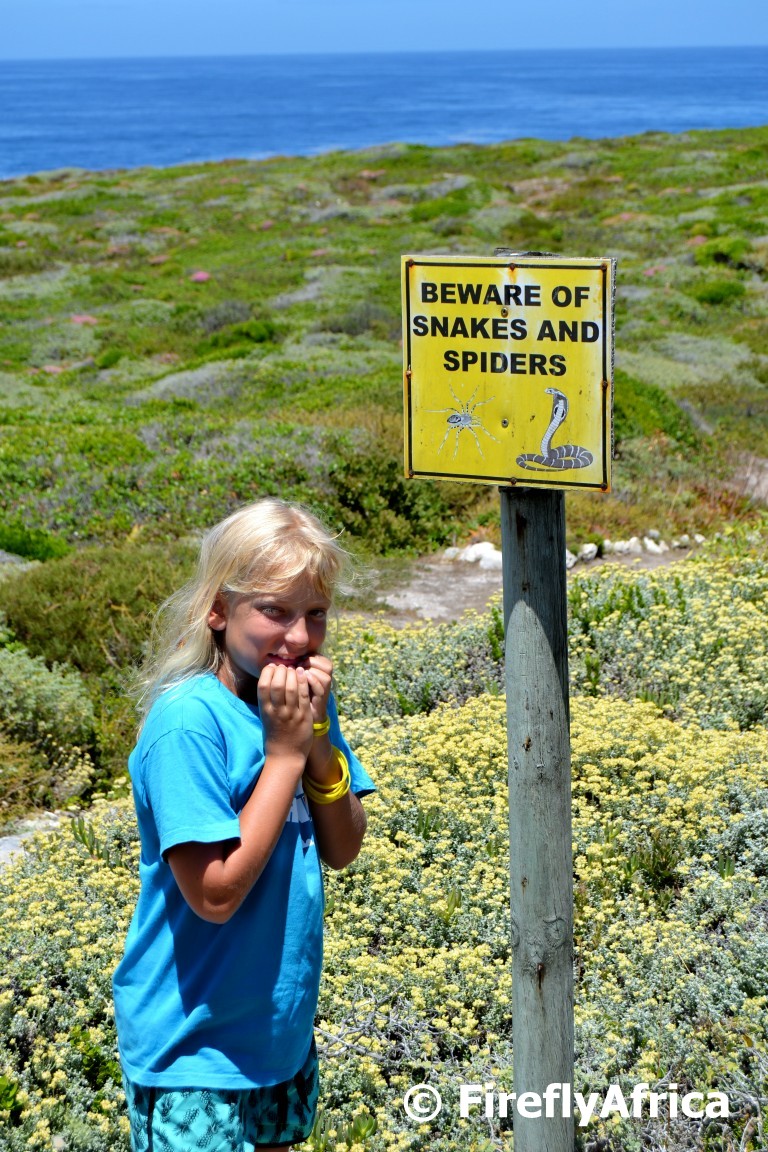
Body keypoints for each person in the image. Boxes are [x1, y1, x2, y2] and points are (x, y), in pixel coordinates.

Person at [113, 498, 374, 1152]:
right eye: (274, 612)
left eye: (316, 614)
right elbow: (215, 894)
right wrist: (285, 755)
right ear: (219, 610)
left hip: (277, 1037)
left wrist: (317, 741)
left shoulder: (294, 704)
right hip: (193, 1051)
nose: (299, 638)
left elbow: (343, 845)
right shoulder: (188, 725)